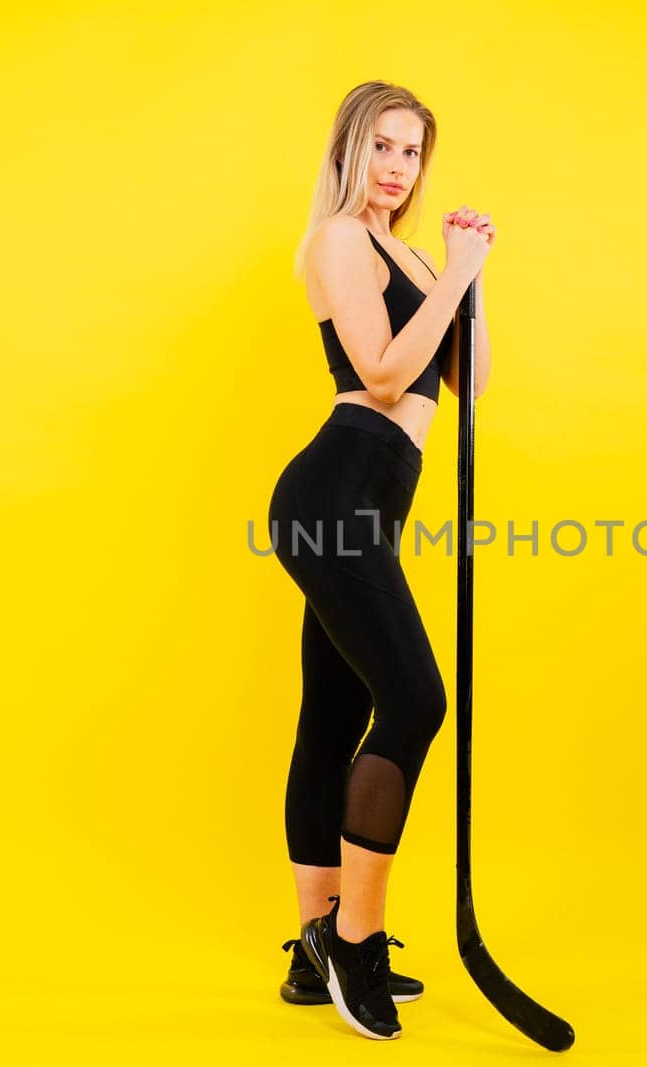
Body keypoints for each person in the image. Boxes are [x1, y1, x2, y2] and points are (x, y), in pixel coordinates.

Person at [266, 80, 494, 1040]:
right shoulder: (338, 241)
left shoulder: (404, 248)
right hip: (335, 494)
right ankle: (357, 936)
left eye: (413, 152)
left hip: (373, 503)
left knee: (335, 713)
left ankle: (315, 948)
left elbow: (467, 384)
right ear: (352, 150)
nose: (399, 169)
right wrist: (453, 269)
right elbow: (385, 371)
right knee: (415, 703)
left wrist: (471, 278)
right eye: (385, 147)